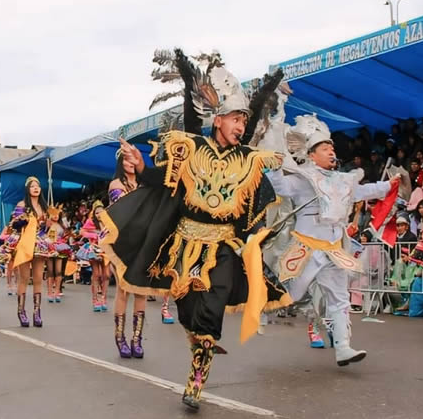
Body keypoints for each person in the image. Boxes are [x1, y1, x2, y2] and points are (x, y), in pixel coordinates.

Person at [101, 49, 288, 409]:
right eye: (235, 118)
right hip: (184, 247)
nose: (240, 125)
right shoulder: (192, 149)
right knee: (188, 312)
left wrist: (257, 235)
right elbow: (167, 183)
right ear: (218, 119)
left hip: (223, 247)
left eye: (244, 119)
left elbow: (256, 205)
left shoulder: (249, 161)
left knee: (211, 311)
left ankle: (196, 379)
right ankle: (199, 340)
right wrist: (141, 169)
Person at [266, 114, 398, 366]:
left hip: (333, 249)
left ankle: (343, 348)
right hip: (305, 248)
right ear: (311, 154)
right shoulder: (302, 178)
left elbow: (361, 191)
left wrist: (386, 186)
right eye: (324, 148)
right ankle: (256, 305)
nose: (331, 151)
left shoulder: (342, 179)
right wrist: (274, 165)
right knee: (290, 295)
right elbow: (281, 187)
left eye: (331, 147)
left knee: (339, 298)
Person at [109, 151, 152, 359]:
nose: (130, 163)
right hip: (122, 244)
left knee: (141, 291)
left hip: (142, 243)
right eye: (126, 159)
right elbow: (124, 213)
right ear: (121, 162)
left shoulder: (145, 185)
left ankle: (137, 338)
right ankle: (120, 338)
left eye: (133, 159)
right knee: (123, 290)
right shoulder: (116, 185)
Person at [5, 177, 52, 328]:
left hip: (39, 242)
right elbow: (13, 225)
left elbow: (45, 229)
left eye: (38, 186)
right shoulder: (22, 205)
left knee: (38, 278)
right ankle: (21, 311)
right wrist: (21, 221)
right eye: (32, 186)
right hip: (24, 242)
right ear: (27, 189)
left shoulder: (44, 207)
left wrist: (48, 225)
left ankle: (37, 312)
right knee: (24, 278)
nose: (35, 188)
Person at [78, 201, 110, 312]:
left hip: (106, 250)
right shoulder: (90, 222)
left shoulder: (109, 222)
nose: (99, 214)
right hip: (94, 249)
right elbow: (82, 231)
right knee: (97, 274)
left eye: (101, 212)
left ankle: (104, 299)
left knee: (106, 275)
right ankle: (95, 300)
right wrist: (94, 235)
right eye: (97, 213)